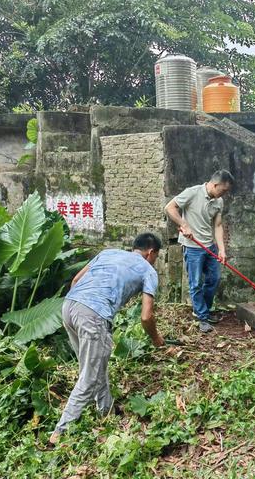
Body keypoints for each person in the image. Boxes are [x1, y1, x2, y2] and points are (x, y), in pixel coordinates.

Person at [49, 233, 165, 445]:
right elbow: (147, 316)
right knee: (90, 376)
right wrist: (157, 340)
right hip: (94, 314)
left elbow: (76, 280)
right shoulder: (148, 270)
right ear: (151, 253)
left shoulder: (107, 252)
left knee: (93, 366)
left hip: (69, 306)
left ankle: (107, 411)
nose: (154, 260)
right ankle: (59, 433)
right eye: (156, 256)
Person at [164, 170, 235, 333]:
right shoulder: (192, 192)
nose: (224, 193)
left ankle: (202, 309)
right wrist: (184, 224)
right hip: (192, 247)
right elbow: (170, 207)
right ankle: (202, 317)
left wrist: (222, 250)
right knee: (195, 283)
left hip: (209, 246)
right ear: (215, 184)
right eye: (223, 190)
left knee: (214, 279)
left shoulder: (219, 201)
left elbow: (217, 226)